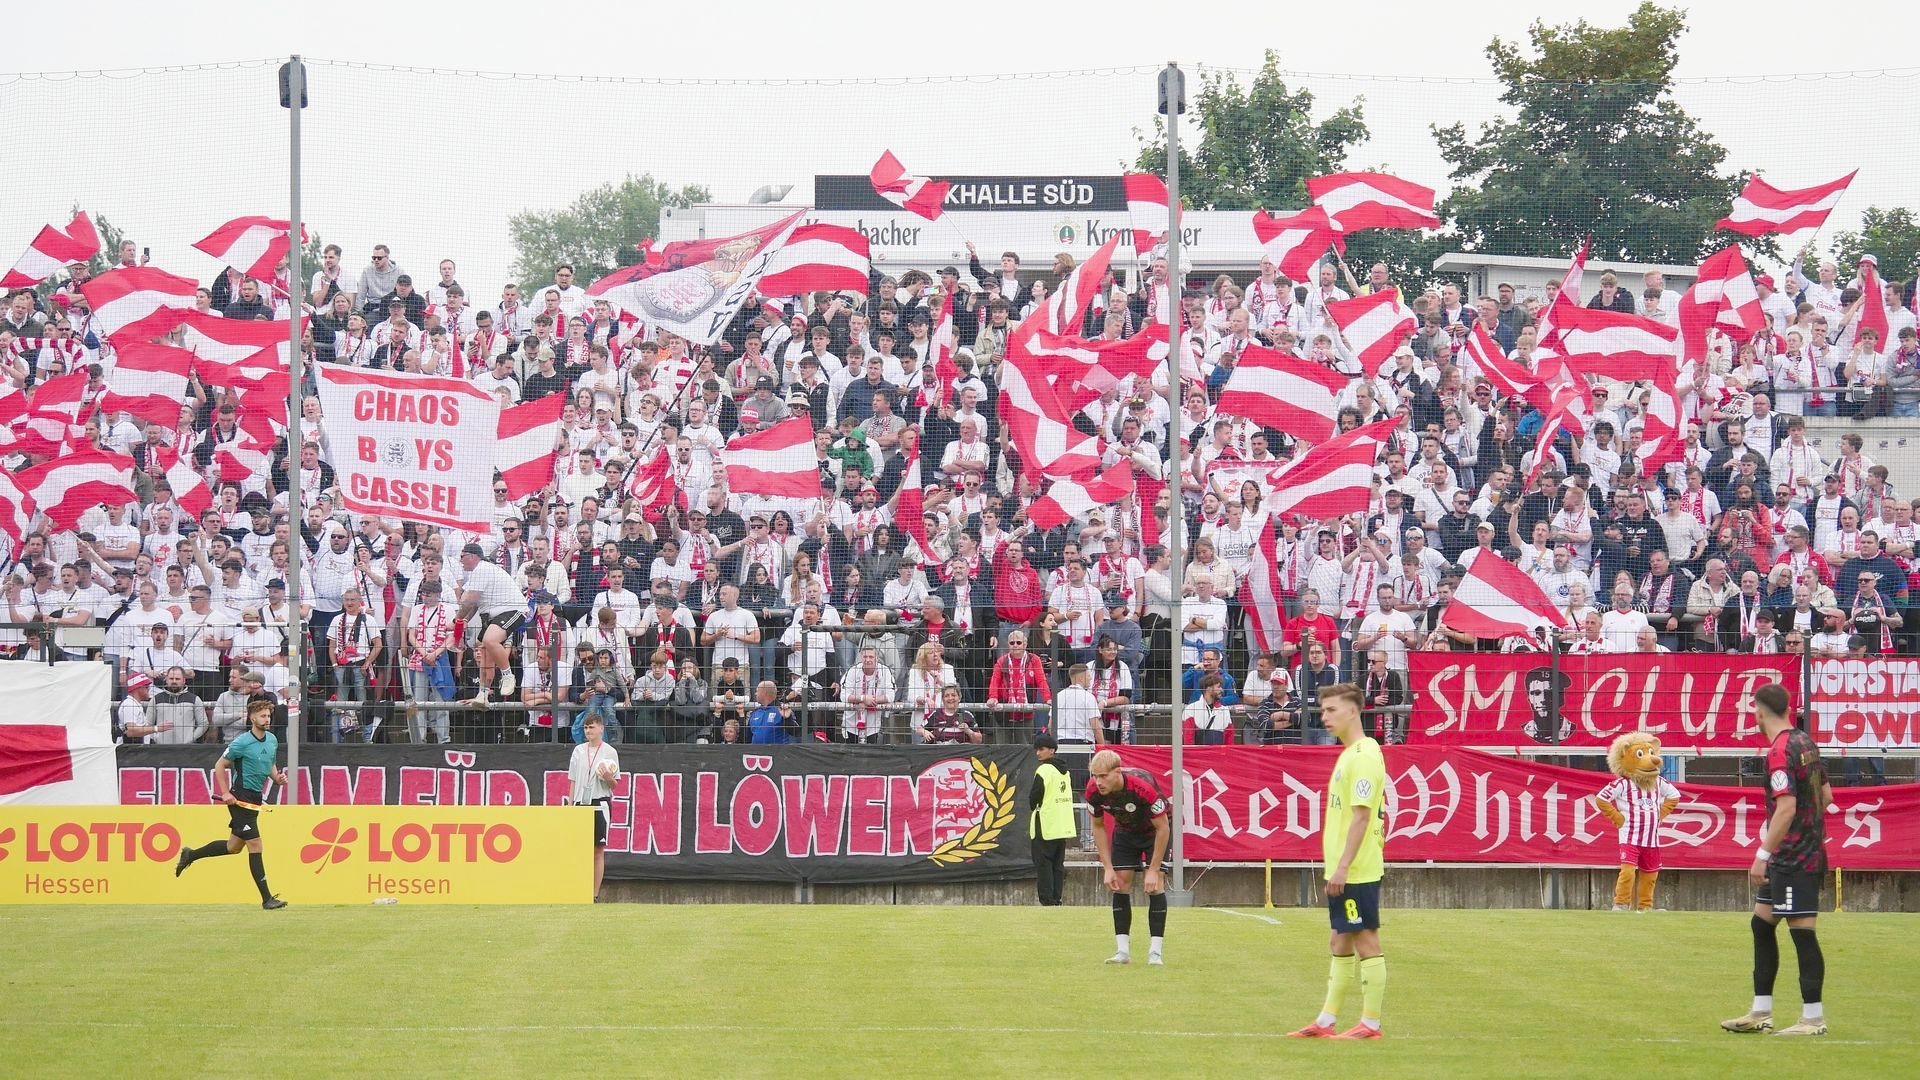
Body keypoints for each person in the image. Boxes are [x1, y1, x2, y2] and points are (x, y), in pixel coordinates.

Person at [1722, 682, 1833, 1038]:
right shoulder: (1805, 741)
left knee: (1802, 932)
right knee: (1761, 924)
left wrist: (1763, 855)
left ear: (1758, 712)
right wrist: (1808, 829)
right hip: (1798, 852)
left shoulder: (1779, 751)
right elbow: (1826, 796)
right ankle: (1761, 1011)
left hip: (1793, 858)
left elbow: (1786, 808)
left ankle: (1813, 1018)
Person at [1289, 683, 1387, 1039]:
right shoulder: (1350, 753)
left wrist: (1344, 866)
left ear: (1353, 711)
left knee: (1365, 939)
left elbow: (1362, 816)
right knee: (1339, 941)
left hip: (1356, 869)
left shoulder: (1363, 756)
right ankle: (1326, 1021)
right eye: (1323, 711)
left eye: (1331, 710)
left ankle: (1370, 1024)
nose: (1324, 717)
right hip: (1345, 866)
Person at [174, 697, 288, 909]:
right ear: (252, 718)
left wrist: (277, 778)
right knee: (255, 844)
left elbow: (271, 765)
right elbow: (220, 765)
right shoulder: (241, 742)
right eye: (262, 716)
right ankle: (267, 899)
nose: (267, 719)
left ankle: (191, 854)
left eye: (268, 716)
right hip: (240, 798)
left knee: (233, 847)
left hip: (255, 799)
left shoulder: (272, 740)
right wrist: (226, 792)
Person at [1085, 748, 1170, 966]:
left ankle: (1155, 953)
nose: (1098, 782)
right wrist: (1107, 868)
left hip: (1154, 832)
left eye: (1103, 776)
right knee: (1120, 884)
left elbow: (1163, 828)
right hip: (1125, 830)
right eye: (1095, 776)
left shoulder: (1142, 787)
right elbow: (1098, 826)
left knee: (1155, 885)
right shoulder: (1093, 791)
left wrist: (1153, 870)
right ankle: (1122, 952)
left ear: (1117, 772)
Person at [565, 715, 619, 902]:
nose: (588, 731)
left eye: (592, 727)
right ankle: (577, 890)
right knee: (579, 849)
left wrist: (608, 777)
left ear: (601, 728)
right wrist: (571, 805)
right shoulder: (579, 751)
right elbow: (572, 781)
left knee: (597, 849)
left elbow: (614, 785)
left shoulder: (610, 752)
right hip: (581, 802)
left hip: (600, 802)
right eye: (586, 728)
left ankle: (594, 894)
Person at [1028, 733, 1074, 907]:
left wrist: (1036, 806)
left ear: (1052, 750)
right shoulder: (1065, 771)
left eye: (1042, 749)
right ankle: (1057, 898)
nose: (1038, 753)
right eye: (1037, 750)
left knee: (1043, 863)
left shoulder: (1044, 770)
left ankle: (1047, 900)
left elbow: (1034, 796)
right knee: (1057, 864)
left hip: (1045, 823)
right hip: (1062, 824)